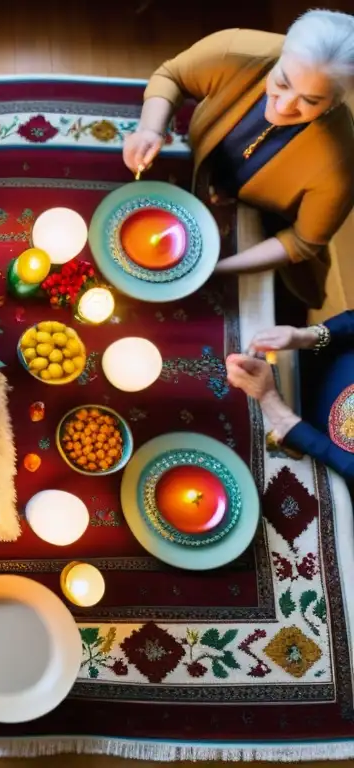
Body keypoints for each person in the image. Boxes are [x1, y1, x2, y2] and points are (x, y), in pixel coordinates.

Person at [122, 10, 354, 320]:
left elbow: (302, 241)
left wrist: (216, 268)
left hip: (268, 224)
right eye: (282, 82)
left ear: (336, 102)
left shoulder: (339, 163)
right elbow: (171, 75)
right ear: (280, 56)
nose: (283, 107)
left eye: (310, 101)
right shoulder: (240, 50)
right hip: (199, 164)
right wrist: (150, 129)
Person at [226, 311, 354, 482]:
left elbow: (346, 464)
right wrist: (306, 336)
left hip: (306, 436)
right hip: (312, 359)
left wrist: (272, 403)